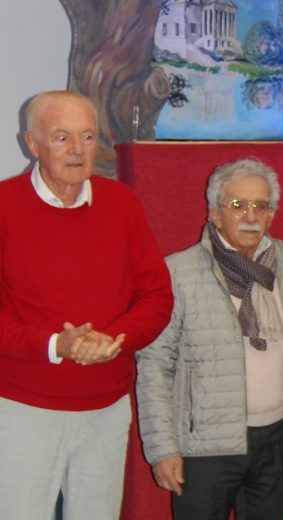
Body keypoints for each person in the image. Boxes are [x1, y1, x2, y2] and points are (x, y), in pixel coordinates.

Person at [0, 90, 174, 519]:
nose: (77, 150)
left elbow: (157, 296)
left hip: (106, 407)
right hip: (23, 408)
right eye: (62, 137)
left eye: (88, 136)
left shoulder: (123, 204)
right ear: (32, 143)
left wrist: (116, 338)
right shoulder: (4, 206)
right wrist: (54, 346)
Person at [136, 158, 283, 520]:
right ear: (216, 214)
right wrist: (162, 448)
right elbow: (155, 365)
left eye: (261, 205)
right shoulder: (178, 273)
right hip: (206, 446)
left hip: (278, 440)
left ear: (271, 214)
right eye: (237, 205)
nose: (251, 216)